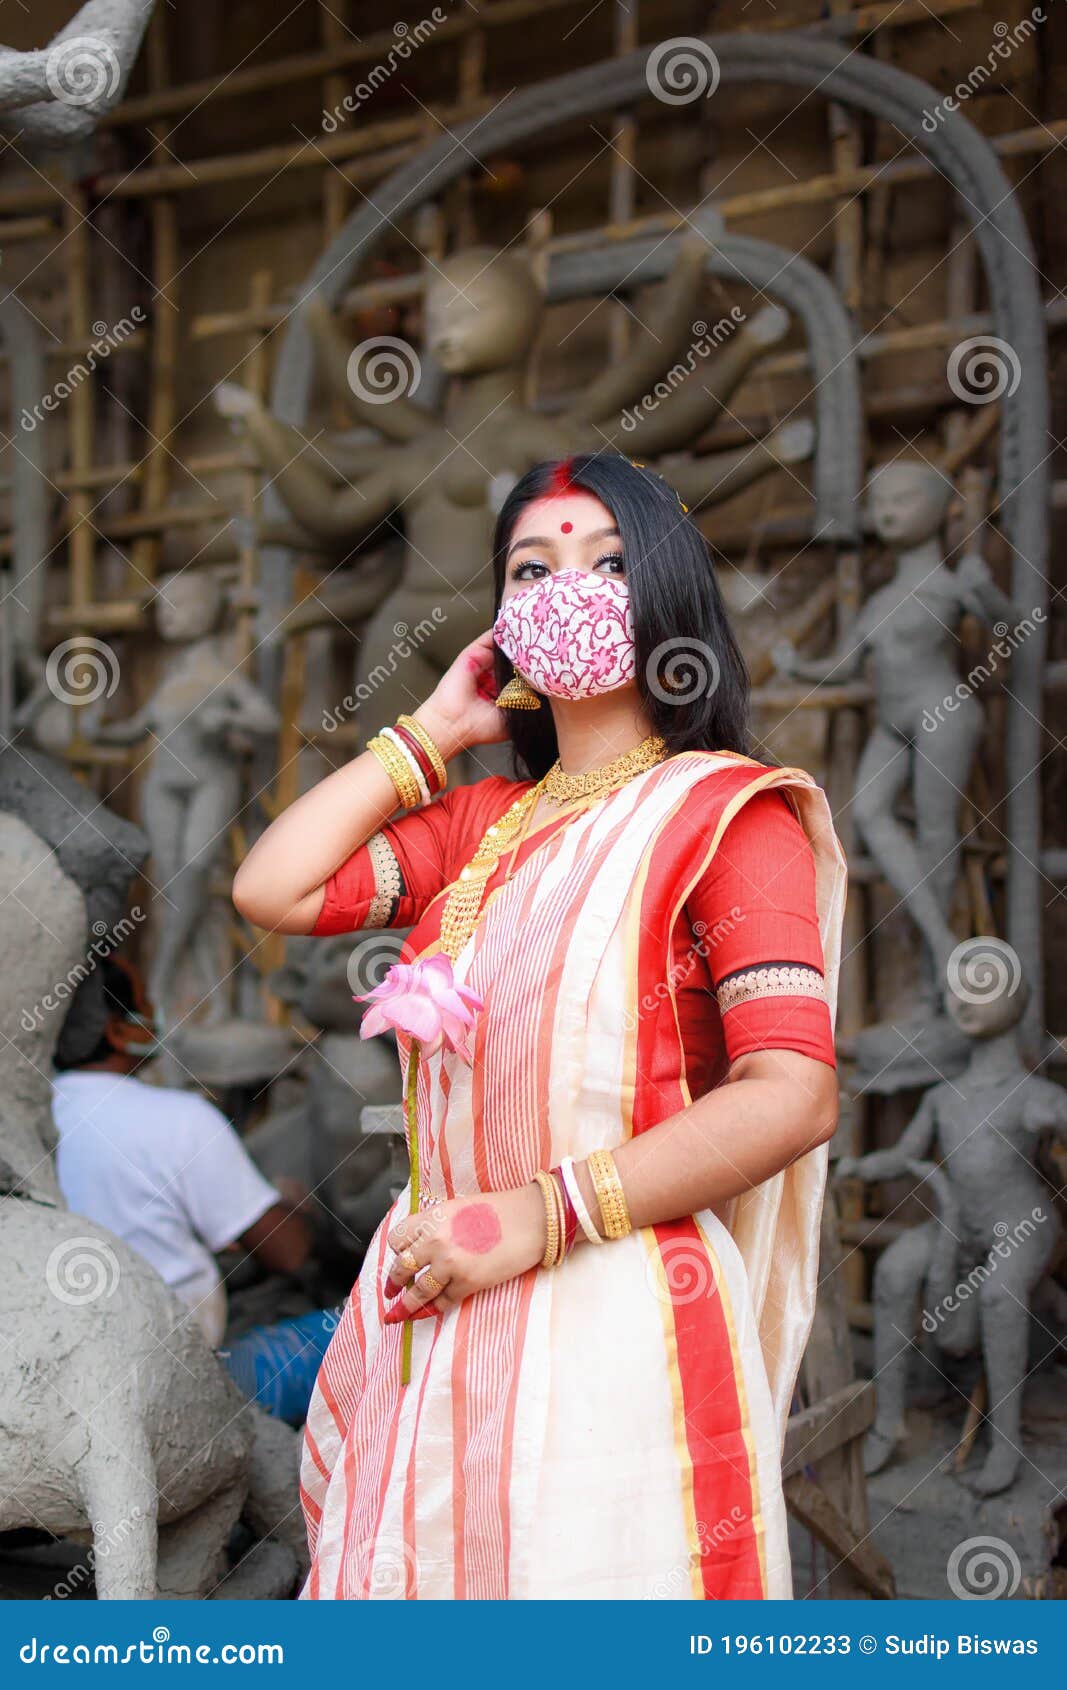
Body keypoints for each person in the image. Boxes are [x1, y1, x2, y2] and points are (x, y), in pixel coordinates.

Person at [232, 452, 847, 1600]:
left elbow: (791, 1091)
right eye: (532, 566)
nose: (569, 584)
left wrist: (540, 1211)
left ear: (666, 594)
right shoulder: (480, 821)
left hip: (619, 1302)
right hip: (438, 1303)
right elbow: (271, 888)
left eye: (607, 560)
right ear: (505, 617)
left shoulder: (725, 812)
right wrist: (427, 731)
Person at [51, 956, 311, 1351]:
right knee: (343, 1335)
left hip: (68, 1344)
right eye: (144, 1002)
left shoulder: (34, 1116)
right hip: (181, 1364)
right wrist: (297, 1208)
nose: (153, 1014)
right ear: (118, 1032)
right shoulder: (181, 1118)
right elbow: (288, 1252)